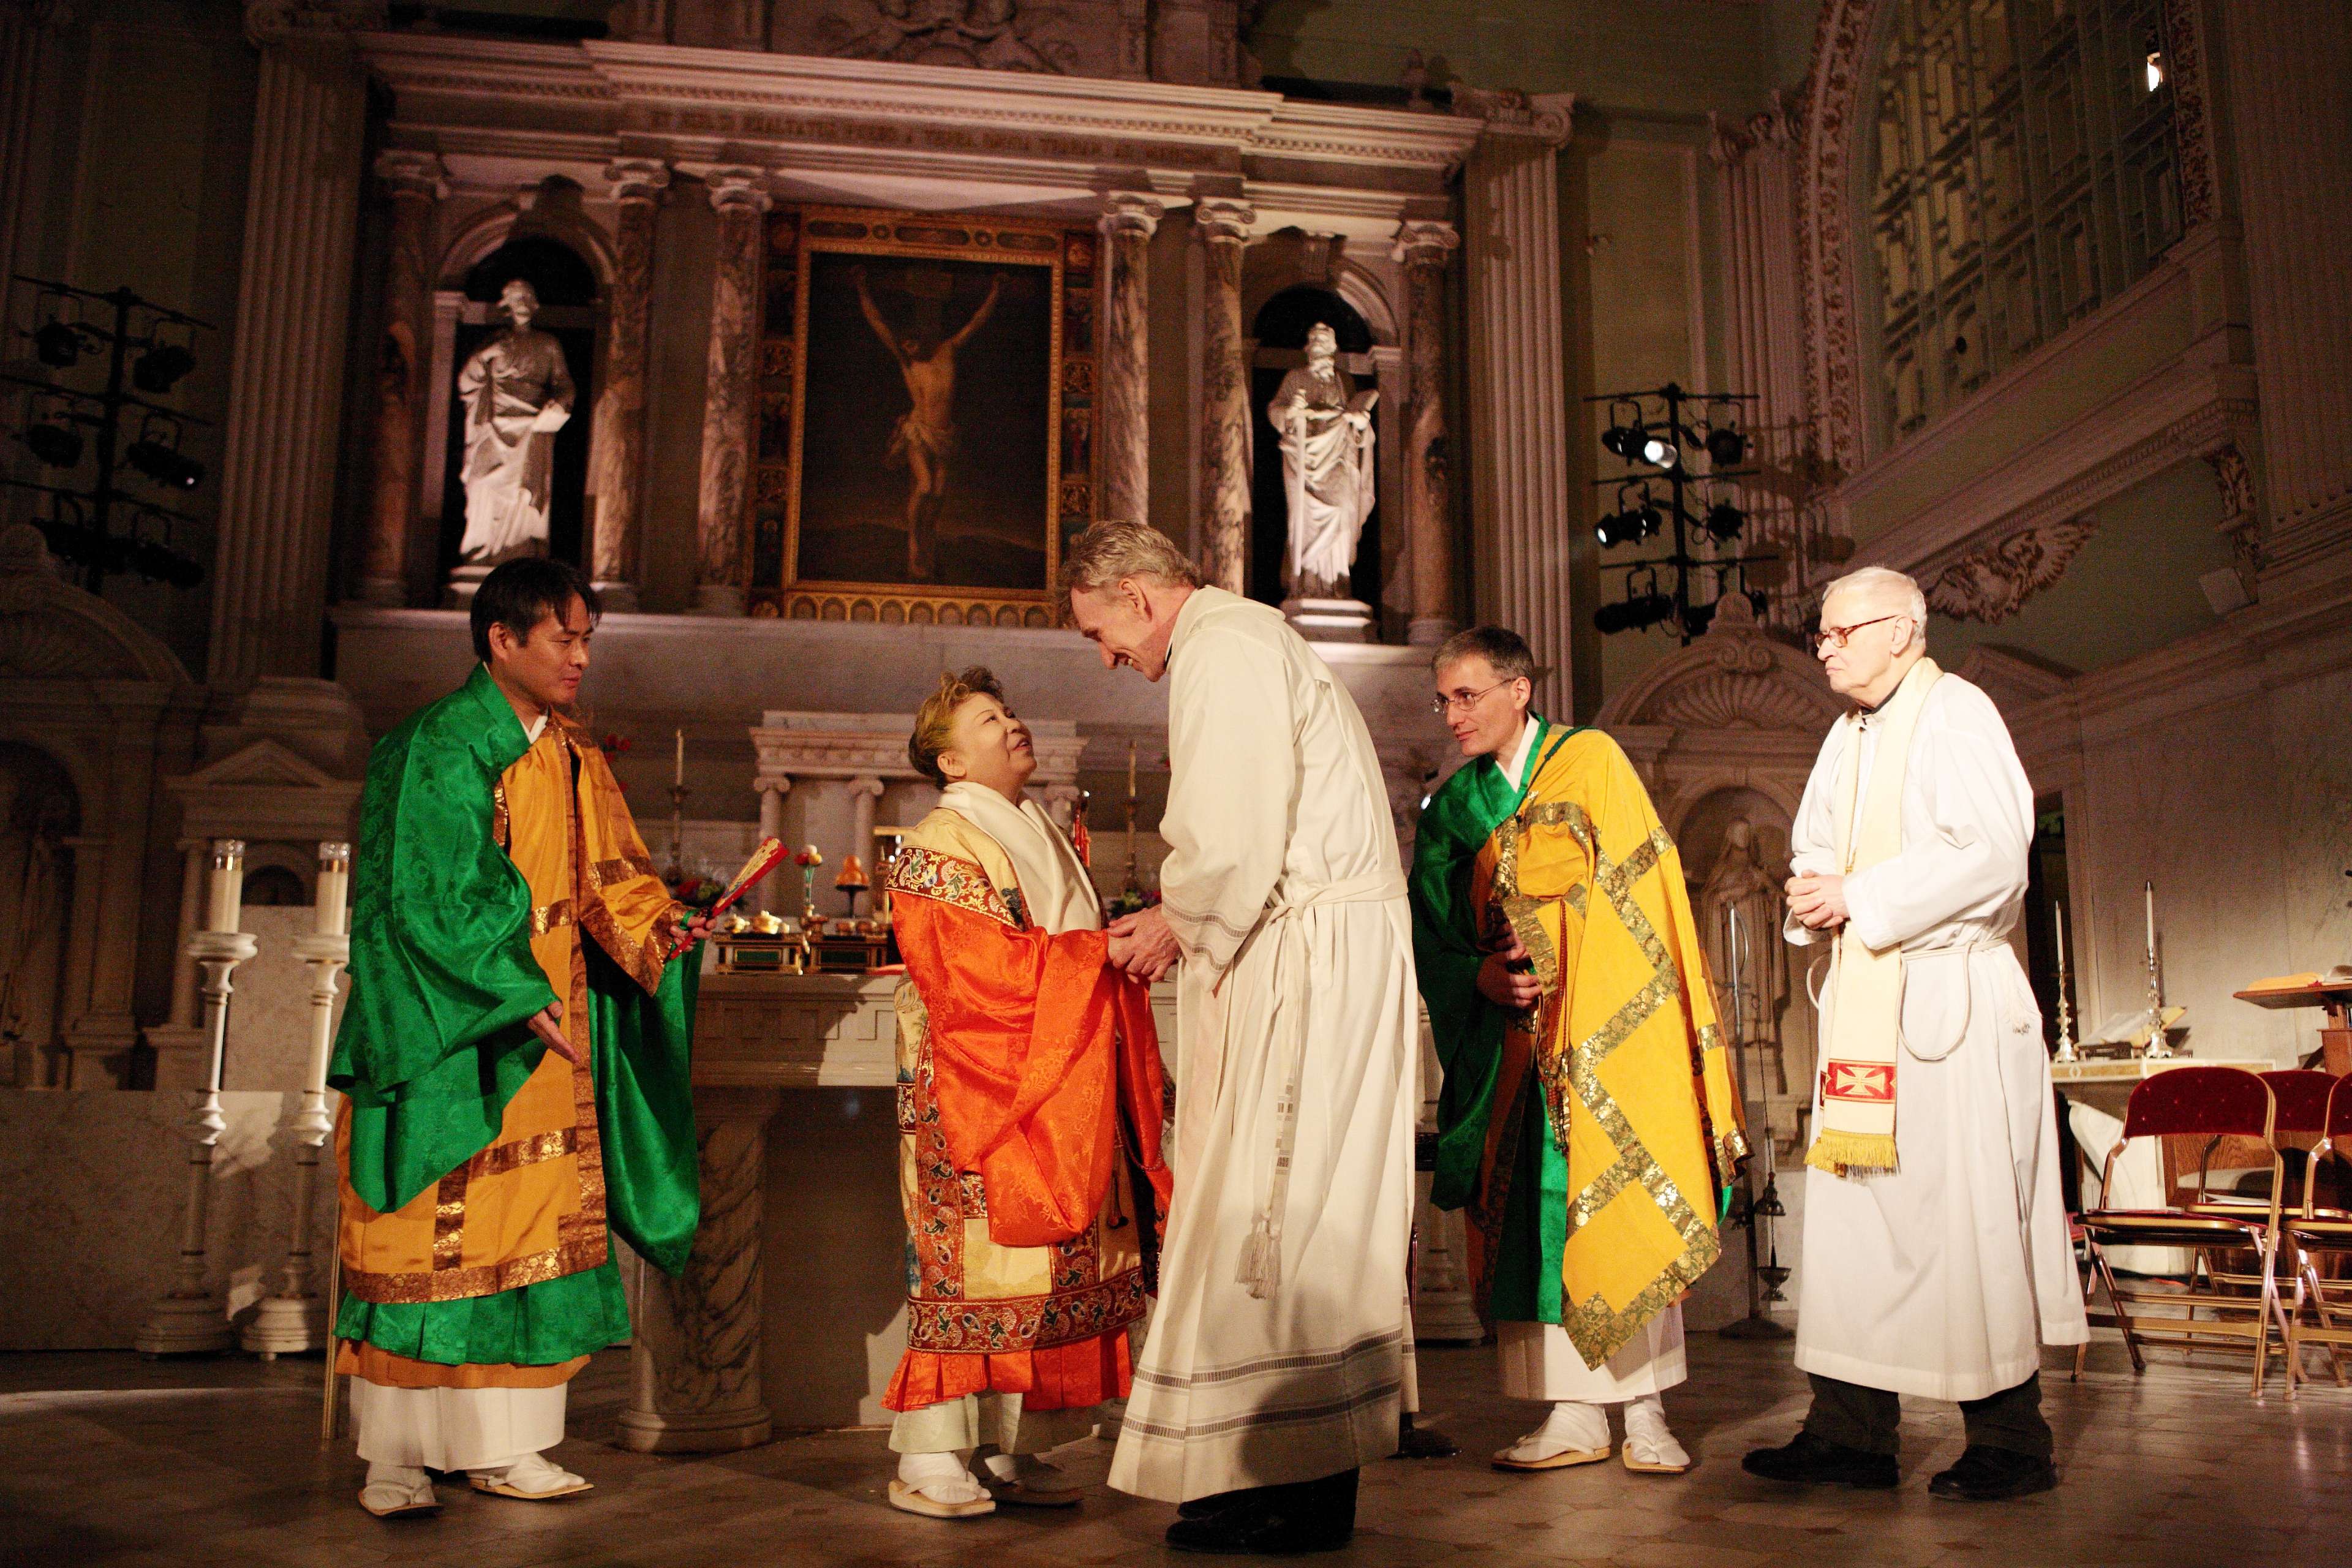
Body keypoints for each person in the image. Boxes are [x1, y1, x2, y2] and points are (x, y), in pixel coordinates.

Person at [1064, 521, 1419, 1556]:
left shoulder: (1223, 647)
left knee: (1286, 1211)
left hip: (1310, 957)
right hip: (1301, 943)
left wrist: (1177, 917)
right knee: (1270, 1212)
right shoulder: (1240, 638)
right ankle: (1260, 1466)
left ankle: (1301, 1488)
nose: (1107, 658)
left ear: (1136, 593)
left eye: (1101, 631)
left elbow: (1232, 830)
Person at [330, 558, 709, 1518]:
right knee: (424, 1241)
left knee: (530, 1236)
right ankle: (399, 1460)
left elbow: (612, 874)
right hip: (449, 1040)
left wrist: (662, 929)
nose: (580, 657)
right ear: (503, 640)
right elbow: (423, 896)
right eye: (563, 638)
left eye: (587, 639)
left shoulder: (574, 754)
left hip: (548, 1044)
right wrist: (506, 990)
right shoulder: (438, 744)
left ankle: (510, 1447)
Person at [1742, 566, 2087, 1502]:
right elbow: (1817, 844)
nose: (1824, 648)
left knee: (1964, 1222)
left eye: (1840, 632)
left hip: (1950, 1009)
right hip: (1871, 1007)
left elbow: (1990, 856)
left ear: (1902, 631)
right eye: (1822, 634)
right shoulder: (1846, 737)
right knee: (1855, 1224)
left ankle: (2013, 1443)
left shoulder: (1957, 714)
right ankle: (1851, 1432)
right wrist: (1818, 896)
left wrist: (1862, 896)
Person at [1411, 626, 1745, 1477]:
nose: (1453, 716)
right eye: (1443, 700)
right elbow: (1430, 935)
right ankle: (1569, 1413)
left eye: (1468, 695)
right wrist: (1480, 976)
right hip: (1516, 1057)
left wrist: (1580, 982)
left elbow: (1643, 886)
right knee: (1535, 1224)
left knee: (1623, 1201)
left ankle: (1646, 1410)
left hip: (1607, 1039)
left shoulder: (1592, 761)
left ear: (1520, 690)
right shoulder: (1453, 810)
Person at [880, 667, 1172, 1520]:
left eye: (1010, 712)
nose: (1013, 726)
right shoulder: (943, 840)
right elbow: (972, 975)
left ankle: (1014, 1446)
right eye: (987, 720)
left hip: (1056, 1079)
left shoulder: (1031, 826)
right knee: (969, 1273)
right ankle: (930, 1456)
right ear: (949, 761)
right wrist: (1100, 958)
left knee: (1046, 1274)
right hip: (978, 1087)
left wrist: (1099, 955)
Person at [854, 266, 1002, 579]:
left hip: (945, 435)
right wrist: (862, 289)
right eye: (904, 344)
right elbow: (877, 322)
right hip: (919, 431)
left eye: (913, 342)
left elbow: (976, 323)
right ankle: (913, 544)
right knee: (923, 487)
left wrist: (995, 293)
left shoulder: (947, 351)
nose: (909, 347)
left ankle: (928, 541)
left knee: (938, 494)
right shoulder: (910, 365)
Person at [456, 279, 575, 564]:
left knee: (523, 493)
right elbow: (466, 383)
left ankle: (518, 554)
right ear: (507, 305)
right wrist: (485, 356)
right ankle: (484, 551)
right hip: (493, 426)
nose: (522, 303)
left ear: (534, 304)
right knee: (481, 484)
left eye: (527, 297)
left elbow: (564, 384)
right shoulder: (494, 341)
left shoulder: (548, 345)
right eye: (516, 298)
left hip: (531, 428)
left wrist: (559, 404)